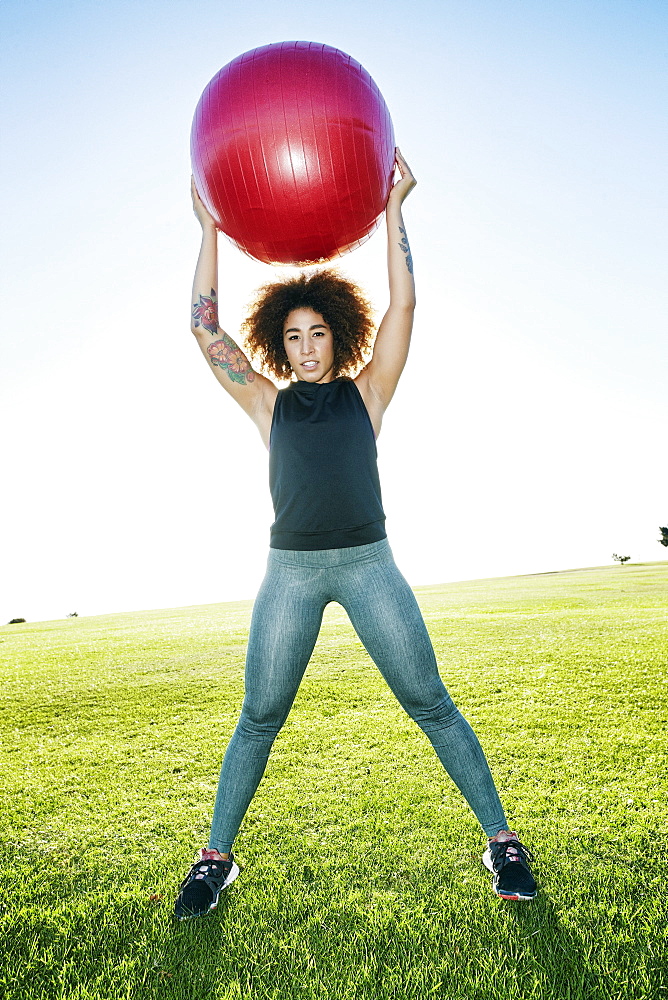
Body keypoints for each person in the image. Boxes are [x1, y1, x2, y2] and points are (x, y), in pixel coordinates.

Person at [175, 151, 537, 919]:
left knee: (431, 702)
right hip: (292, 574)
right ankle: (215, 859)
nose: (307, 348)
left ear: (339, 336)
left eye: (319, 335)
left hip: (371, 567)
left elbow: (404, 308)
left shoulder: (368, 394)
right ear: (280, 343)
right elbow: (205, 328)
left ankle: (502, 842)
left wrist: (396, 209)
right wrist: (208, 227)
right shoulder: (267, 406)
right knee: (259, 716)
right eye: (294, 337)